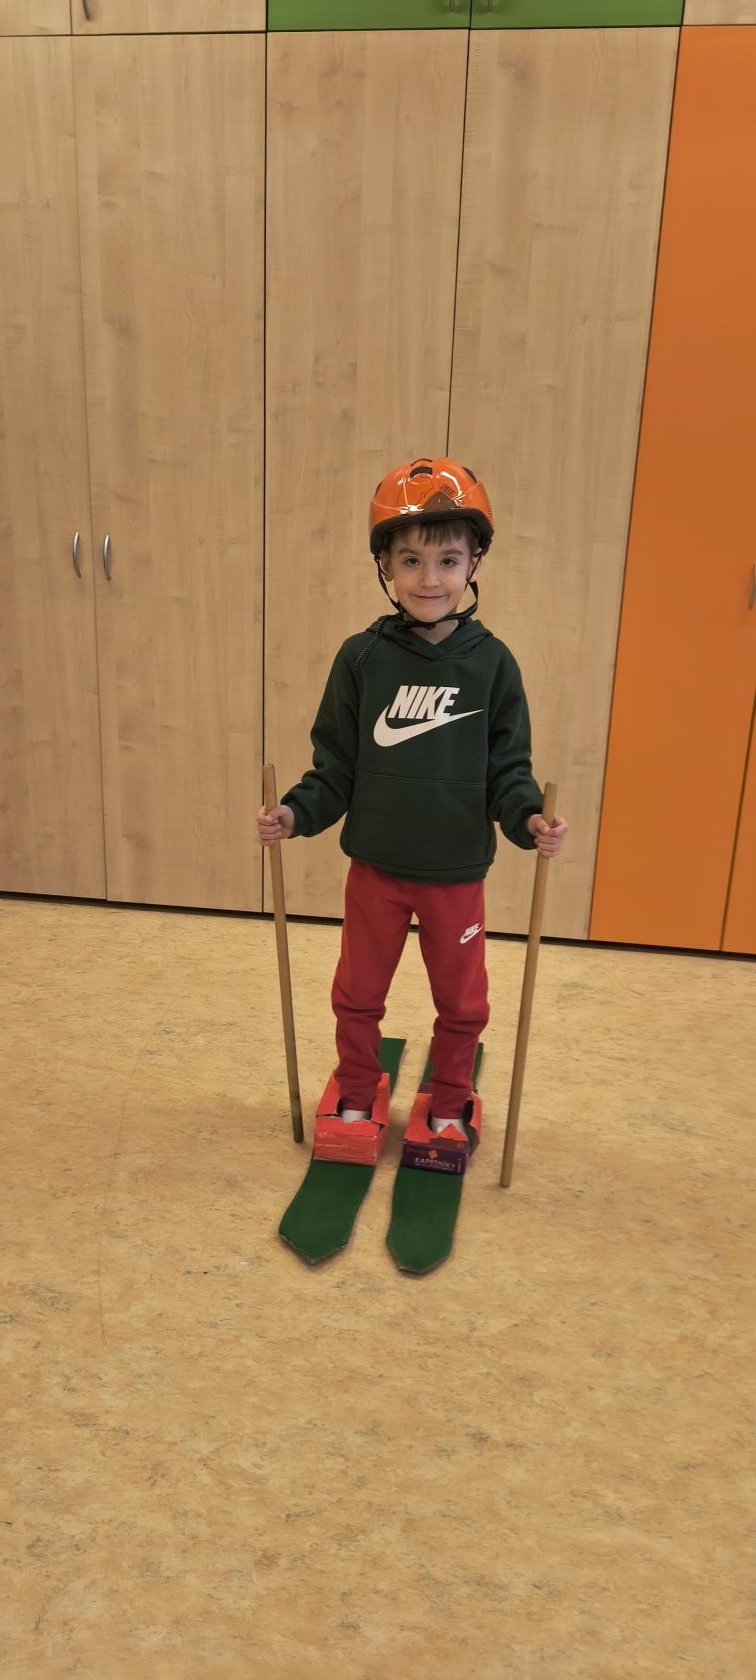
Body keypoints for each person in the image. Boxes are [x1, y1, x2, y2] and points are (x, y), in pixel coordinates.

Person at [258, 458, 568, 1146]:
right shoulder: (360, 659)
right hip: (376, 869)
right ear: (385, 567)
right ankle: (356, 1090)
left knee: (462, 1003)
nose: (430, 579)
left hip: (456, 874)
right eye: (410, 561)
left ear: (474, 563)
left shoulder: (494, 664)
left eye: (448, 561)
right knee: (356, 995)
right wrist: (295, 813)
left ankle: (450, 1100)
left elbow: (509, 771)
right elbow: (334, 768)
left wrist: (528, 820)